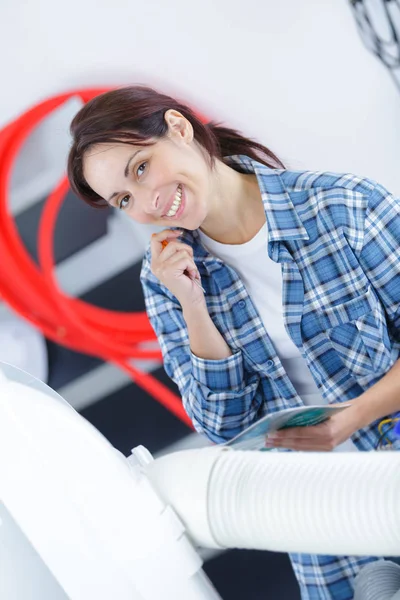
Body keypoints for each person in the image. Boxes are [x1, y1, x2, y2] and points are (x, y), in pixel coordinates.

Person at [67, 85, 400, 599]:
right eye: (124, 200)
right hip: (315, 510)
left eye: (140, 168)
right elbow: (225, 427)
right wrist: (193, 305)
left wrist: (353, 417)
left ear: (178, 128)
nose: (147, 202)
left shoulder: (344, 206)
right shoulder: (164, 278)